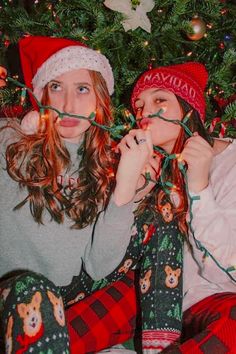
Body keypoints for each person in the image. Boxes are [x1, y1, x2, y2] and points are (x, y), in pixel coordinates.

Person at [0, 35, 153, 354]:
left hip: (61, 302)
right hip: (12, 300)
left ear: (99, 98)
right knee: (31, 291)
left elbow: (99, 266)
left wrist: (124, 190)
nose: (69, 105)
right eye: (56, 87)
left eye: (82, 89)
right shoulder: (8, 141)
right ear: (41, 93)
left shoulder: (103, 166)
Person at [129, 62, 236, 353]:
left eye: (159, 99)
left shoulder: (231, 163)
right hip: (144, 286)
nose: (144, 112)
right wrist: (133, 190)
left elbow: (228, 271)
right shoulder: (147, 164)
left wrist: (199, 189)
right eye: (138, 105)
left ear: (189, 109)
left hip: (210, 298)